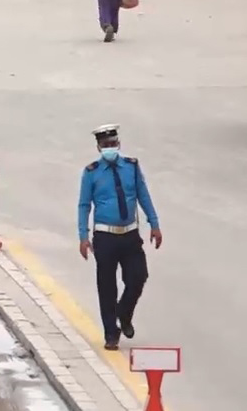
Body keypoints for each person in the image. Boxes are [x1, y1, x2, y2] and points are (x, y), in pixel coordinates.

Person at [77, 123, 161, 350]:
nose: (110, 148)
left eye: (113, 144)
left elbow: (143, 195)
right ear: (98, 147)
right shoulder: (91, 172)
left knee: (138, 277)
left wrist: (154, 224)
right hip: (105, 237)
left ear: (119, 144)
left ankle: (124, 313)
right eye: (105, 145)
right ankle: (111, 334)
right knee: (106, 286)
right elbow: (84, 205)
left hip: (130, 234)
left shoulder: (131, 167)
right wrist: (83, 236)